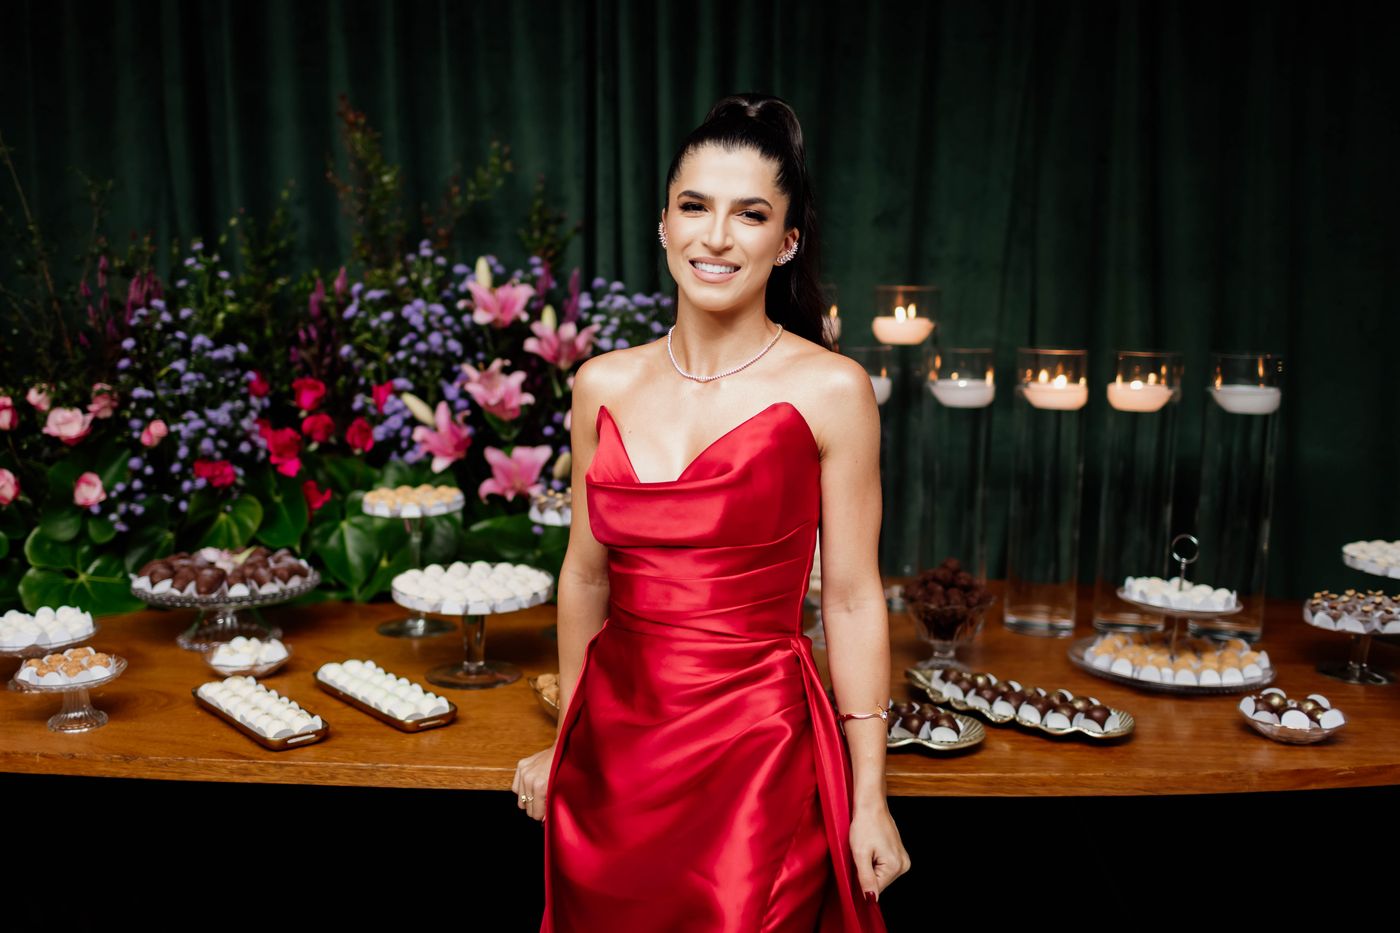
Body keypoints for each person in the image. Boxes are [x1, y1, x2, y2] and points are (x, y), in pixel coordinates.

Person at [515, 92, 908, 931]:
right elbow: (584, 577)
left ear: (787, 240)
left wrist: (870, 793)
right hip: (612, 763)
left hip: (756, 753)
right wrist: (566, 741)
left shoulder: (832, 388)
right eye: (694, 206)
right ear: (663, 224)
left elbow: (849, 599)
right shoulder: (601, 383)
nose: (717, 236)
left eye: (751, 214)